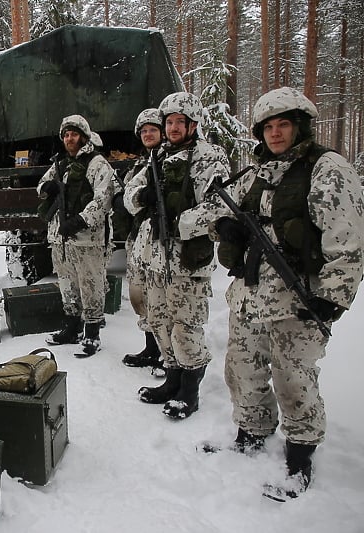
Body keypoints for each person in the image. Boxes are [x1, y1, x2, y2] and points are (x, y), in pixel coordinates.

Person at [198, 87, 364, 499]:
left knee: (294, 378)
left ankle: (299, 455)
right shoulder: (258, 172)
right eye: (268, 127)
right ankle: (251, 433)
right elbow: (221, 210)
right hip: (252, 293)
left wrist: (333, 296)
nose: (275, 133)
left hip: (298, 298)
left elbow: (348, 238)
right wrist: (225, 228)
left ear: (300, 126)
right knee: (242, 367)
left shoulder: (327, 168)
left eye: (283, 124)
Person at [124, 92, 230, 419]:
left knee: (186, 324)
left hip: (187, 258)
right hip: (155, 256)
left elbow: (222, 204)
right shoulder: (157, 158)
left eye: (178, 122)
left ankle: (190, 388)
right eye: (168, 122)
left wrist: (182, 221)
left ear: (193, 124)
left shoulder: (210, 156)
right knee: (158, 319)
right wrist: (142, 196)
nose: (171, 128)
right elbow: (129, 198)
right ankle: (172, 378)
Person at [37, 114, 115, 357]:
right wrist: (45, 189)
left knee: (90, 284)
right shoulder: (60, 164)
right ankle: (72, 327)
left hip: (87, 237)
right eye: (66, 135)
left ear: (84, 136)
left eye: (74, 134)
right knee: (67, 283)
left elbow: (104, 197)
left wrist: (81, 220)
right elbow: (41, 186)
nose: (70, 138)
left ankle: (92, 333)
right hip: (61, 237)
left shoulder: (97, 163)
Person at [113, 108, 164, 371]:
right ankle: (151, 347)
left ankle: (169, 355)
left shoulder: (168, 160)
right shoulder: (139, 164)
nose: (147, 134)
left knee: (161, 300)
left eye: (152, 130)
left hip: (161, 242)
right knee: (140, 296)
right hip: (137, 240)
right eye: (143, 131)